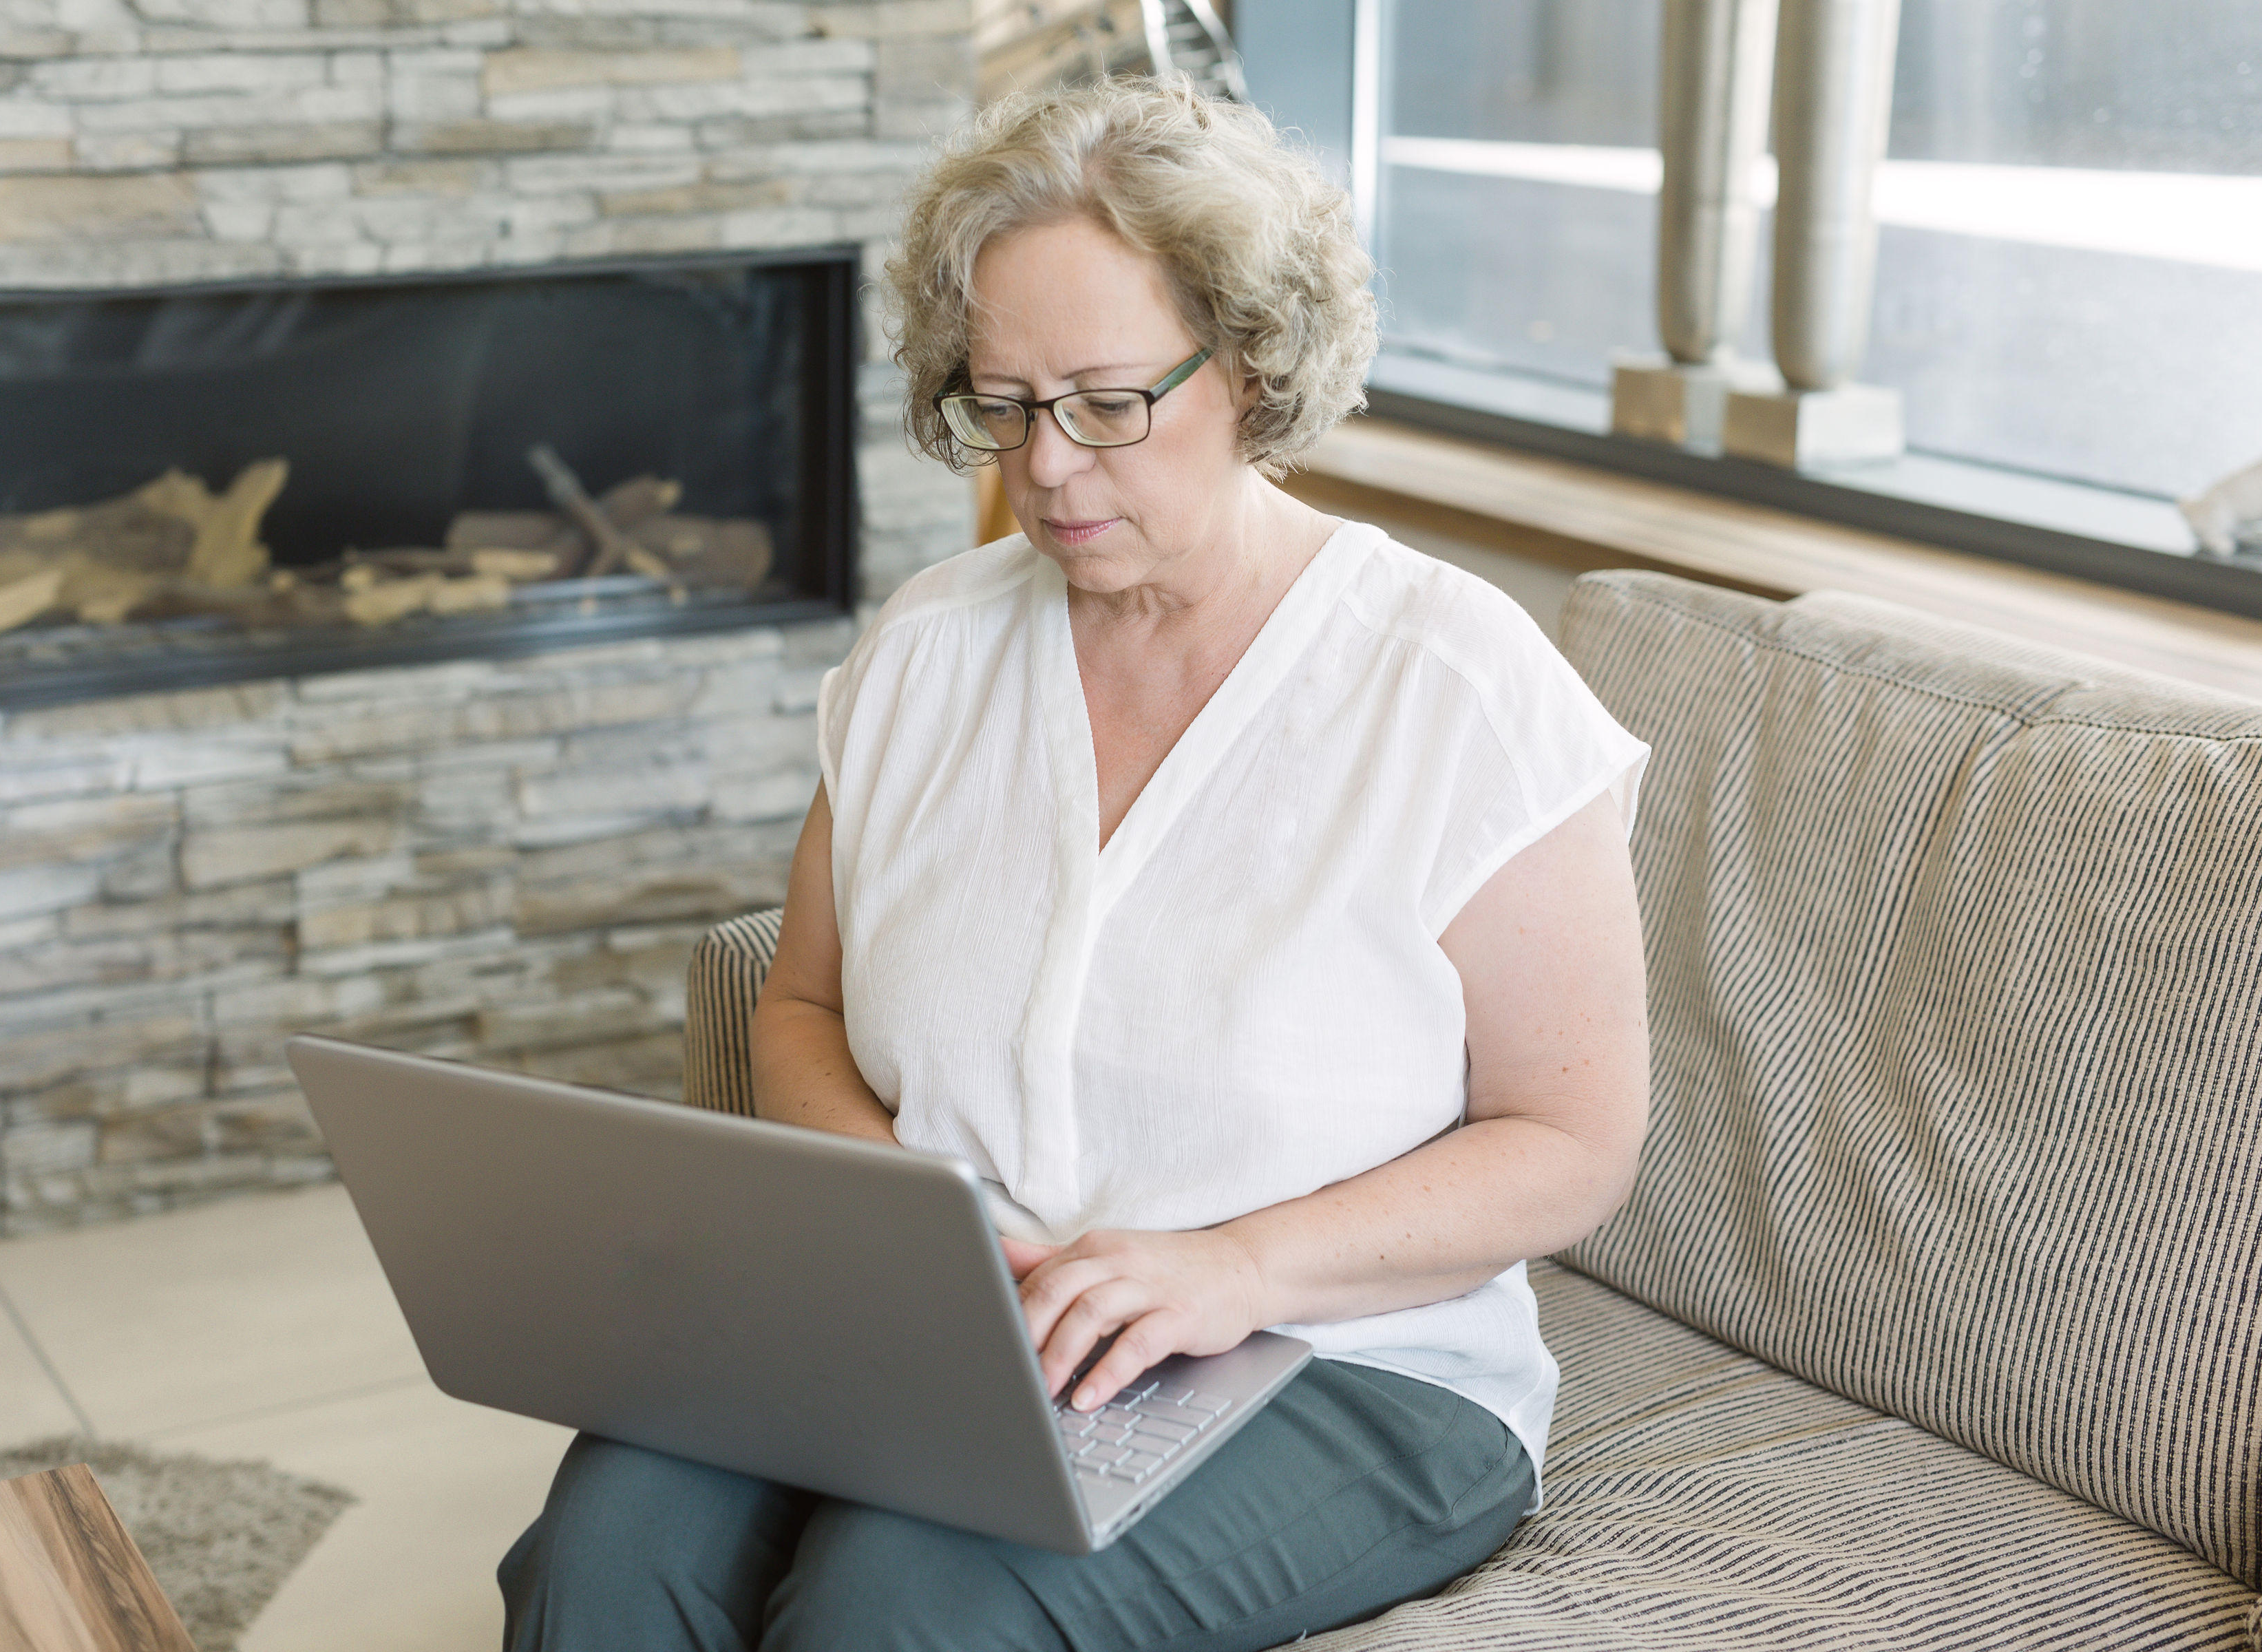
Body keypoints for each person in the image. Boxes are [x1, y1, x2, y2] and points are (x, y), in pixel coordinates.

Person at [500, 76, 1652, 1652]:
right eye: (1004, 403)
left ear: (1250, 368)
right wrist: (910, 1206)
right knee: (608, 1549)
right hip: (951, 1323)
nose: (1046, 468)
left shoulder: (1457, 691)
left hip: (1340, 1359)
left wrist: (1232, 1267)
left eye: (1110, 402)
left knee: (897, 1614)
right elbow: (803, 1008)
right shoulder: (929, 651)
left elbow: (1573, 1140)